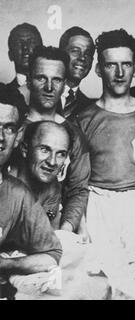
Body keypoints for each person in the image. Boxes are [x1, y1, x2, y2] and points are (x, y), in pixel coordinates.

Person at [77, 29, 135, 279]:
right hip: (99, 208)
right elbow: (76, 183)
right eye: (111, 65)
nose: (119, 73)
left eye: (126, 64)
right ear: (98, 69)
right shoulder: (83, 119)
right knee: (102, 283)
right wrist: (82, 226)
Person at [0, 89, 62, 295]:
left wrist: (5, 265)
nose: (0, 137)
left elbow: (51, 255)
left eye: (8, 128)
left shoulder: (18, 193)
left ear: (18, 137)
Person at [23, 45, 90, 234]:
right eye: (41, 78)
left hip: (54, 227)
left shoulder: (74, 135)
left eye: (57, 80)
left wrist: (66, 231)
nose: (49, 87)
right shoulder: (13, 129)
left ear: (64, 84)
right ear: (28, 81)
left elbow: (78, 190)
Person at [13, 121, 72, 230]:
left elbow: (49, 236)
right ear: (25, 149)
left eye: (60, 154)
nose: (52, 162)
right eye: (45, 150)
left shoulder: (53, 190)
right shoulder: (4, 184)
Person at [58, 26, 96, 120]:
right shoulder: (40, 95)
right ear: (60, 53)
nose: (82, 58)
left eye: (87, 53)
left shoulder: (90, 108)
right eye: (75, 51)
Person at [6, 23, 43, 91]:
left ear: (42, 50)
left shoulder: (60, 92)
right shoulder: (2, 95)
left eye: (31, 42)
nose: (25, 47)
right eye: (18, 43)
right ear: (10, 55)